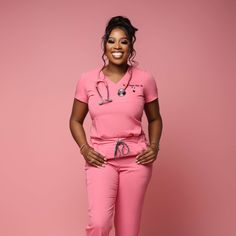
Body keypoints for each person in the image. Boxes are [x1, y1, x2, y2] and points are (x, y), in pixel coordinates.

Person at [69, 15, 163, 236]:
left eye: (124, 41)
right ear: (104, 45)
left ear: (131, 46)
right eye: (111, 41)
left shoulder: (145, 79)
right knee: (100, 223)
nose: (117, 46)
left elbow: (155, 118)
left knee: (128, 231)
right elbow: (75, 120)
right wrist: (85, 148)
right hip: (100, 160)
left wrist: (154, 147)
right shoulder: (87, 80)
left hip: (136, 161)